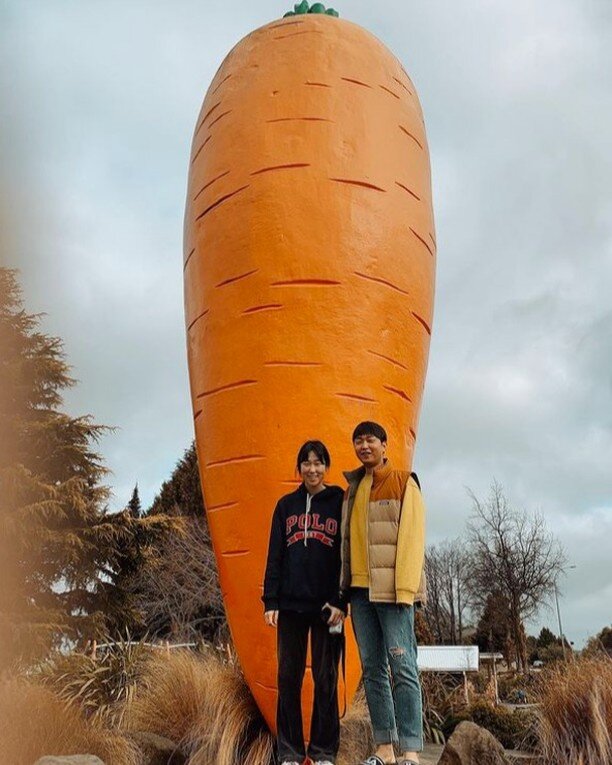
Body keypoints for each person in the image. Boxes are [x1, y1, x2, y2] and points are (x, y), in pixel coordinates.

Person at [339, 421, 426, 765]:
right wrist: (342, 589)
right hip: (359, 592)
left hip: (393, 593)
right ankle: (384, 750)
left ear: (384, 445)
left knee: (403, 667)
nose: (364, 446)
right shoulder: (352, 487)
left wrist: (405, 590)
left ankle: (411, 751)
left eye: (370, 440)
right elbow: (345, 545)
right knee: (373, 669)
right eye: (358, 440)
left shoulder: (405, 482)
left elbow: (412, 540)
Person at [263, 439, 346, 765]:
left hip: (329, 608)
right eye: (307, 463)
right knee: (288, 679)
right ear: (299, 468)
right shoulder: (286, 506)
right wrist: (271, 599)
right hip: (291, 606)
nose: (313, 469)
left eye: (319, 462)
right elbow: (275, 554)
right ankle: (290, 752)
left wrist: (342, 600)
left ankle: (324, 752)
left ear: (326, 466)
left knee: (326, 679)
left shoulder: (339, 501)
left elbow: (346, 555)